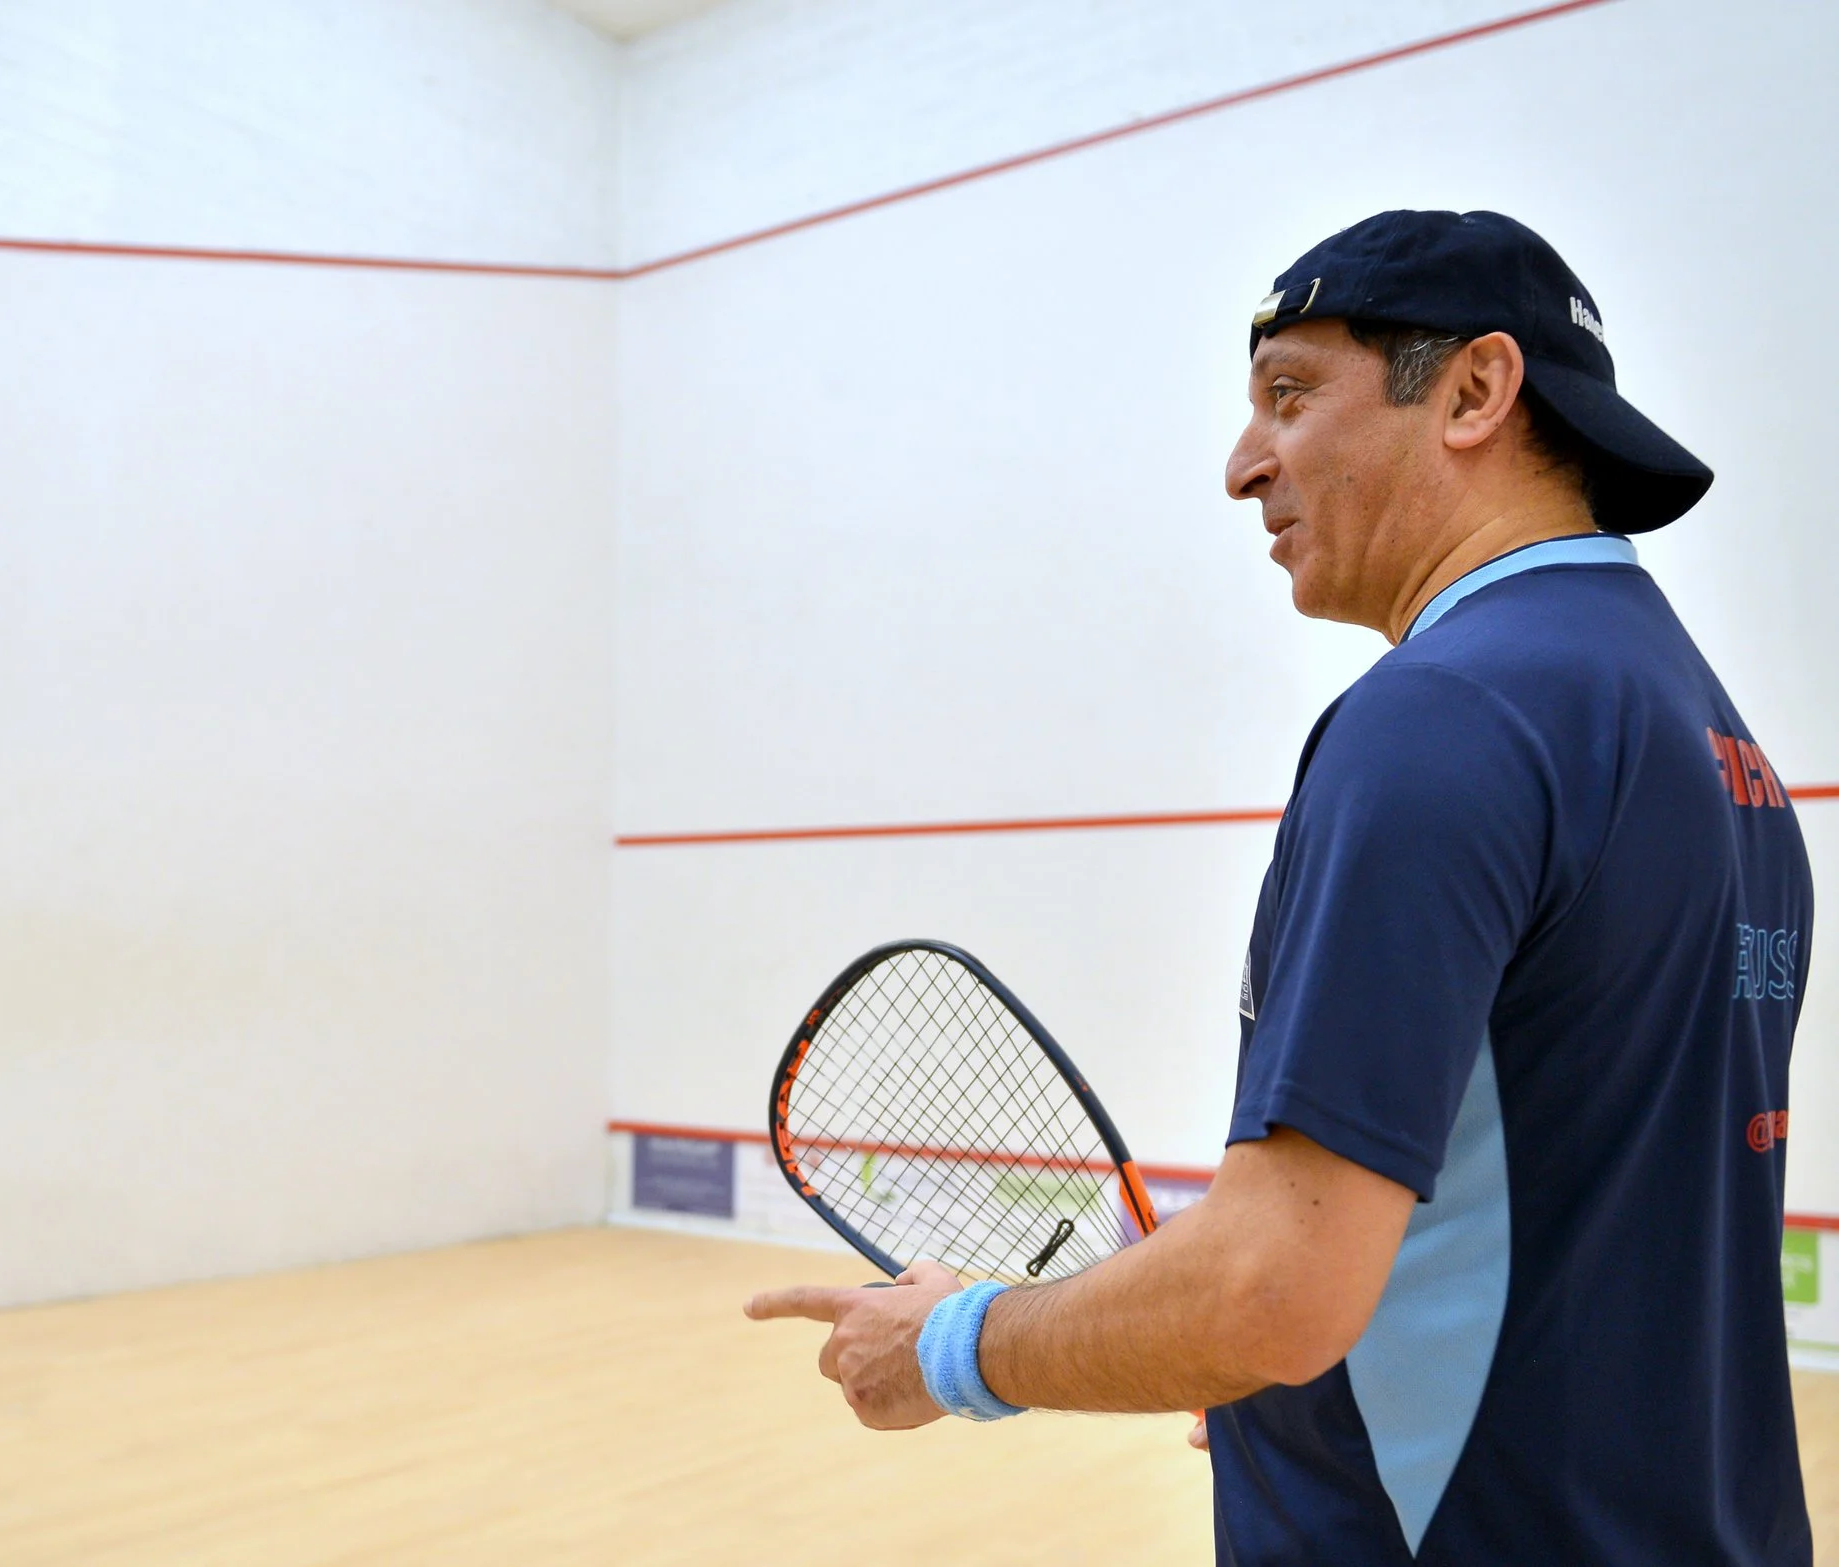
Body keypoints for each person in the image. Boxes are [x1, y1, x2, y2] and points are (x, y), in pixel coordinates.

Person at [746, 210, 1813, 1563]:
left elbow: (1276, 1288)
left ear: (1476, 391)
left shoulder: (1443, 716)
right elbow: (1530, 1212)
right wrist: (1256, 1355)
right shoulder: (1728, 757)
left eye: (1291, 395)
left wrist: (953, 1344)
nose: (1245, 464)